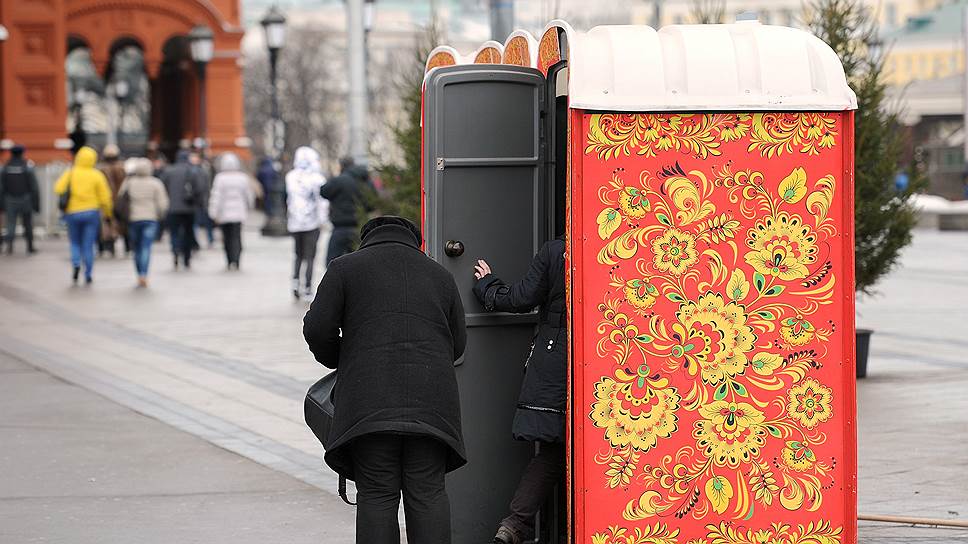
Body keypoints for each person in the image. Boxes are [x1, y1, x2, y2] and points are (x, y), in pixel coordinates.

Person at [303, 216, 467, 544]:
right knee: (428, 494)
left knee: (377, 494)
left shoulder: (344, 269)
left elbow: (317, 329)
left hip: (369, 405)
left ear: (366, 239)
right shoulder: (440, 275)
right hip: (432, 407)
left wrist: (344, 360)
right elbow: (458, 344)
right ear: (416, 241)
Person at [472, 237, 566, 544]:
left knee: (553, 452)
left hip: (556, 360)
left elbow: (521, 298)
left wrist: (487, 285)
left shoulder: (557, 250)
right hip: (615, 360)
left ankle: (514, 524)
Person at [54, 146, 113, 285]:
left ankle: (76, 264)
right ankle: (88, 273)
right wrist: (108, 213)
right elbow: (105, 198)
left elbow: (58, 188)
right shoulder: (96, 175)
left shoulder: (71, 173)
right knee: (88, 244)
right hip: (91, 213)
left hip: (72, 212)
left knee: (75, 242)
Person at [117, 158, 169, 287]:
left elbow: (120, 198)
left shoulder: (129, 183)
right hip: (150, 219)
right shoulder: (156, 183)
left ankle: (139, 272)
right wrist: (160, 216)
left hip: (133, 219)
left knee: (136, 248)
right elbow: (162, 203)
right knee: (146, 247)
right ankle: (143, 274)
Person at [286, 146, 328, 300]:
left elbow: (289, 199)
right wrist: (323, 220)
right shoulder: (317, 179)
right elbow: (322, 202)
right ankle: (308, 288)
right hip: (312, 223)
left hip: (295, 222)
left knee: (298, 255)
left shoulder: (290, 177)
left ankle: (295, 283)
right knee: (310, 256)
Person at [320, 157, 373, 264]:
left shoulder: (340, 180)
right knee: (358, 264)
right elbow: (373, 203)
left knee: (332, 263)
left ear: (341, 166)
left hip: (340, 227)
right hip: (360, 229)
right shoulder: (365, 180)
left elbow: (323, 191)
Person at [207, 153, 253, 270]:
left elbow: (216, 196)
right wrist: (249, 207)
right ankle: (236, 259)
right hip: (238, 212)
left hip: (224, 213)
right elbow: (248, 195)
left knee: (227, 237)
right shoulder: (242, 178)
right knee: (236, 236)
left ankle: (229, 260)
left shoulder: (220, 178)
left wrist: (213, 212)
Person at [160, 149, 204, 269]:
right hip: (189, 208)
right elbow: (199, 189)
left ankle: (175, 251)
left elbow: (162, 187)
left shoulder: (169, 171)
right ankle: (187, 258)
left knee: (174, 232)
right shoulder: (192, 171)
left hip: (173, 207)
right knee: (188, 232)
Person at [0, 145, 40, 254]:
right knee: (28, 225)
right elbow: (34, 187)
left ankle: (9, 246)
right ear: (22, 153)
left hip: (10, 200)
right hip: (26, 200)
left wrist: (1, 203)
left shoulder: (5, 167)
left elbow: (1, 187)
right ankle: (30, 247)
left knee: (10, 225)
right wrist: (36, 204)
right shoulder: (26, 166)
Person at [97, 144, 125, 257]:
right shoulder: (122, 168)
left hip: (104, 200)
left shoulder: (100, 169)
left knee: (105, 224)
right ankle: (126, 247)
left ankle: (107, 248)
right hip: (119, 200)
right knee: (120, 224)